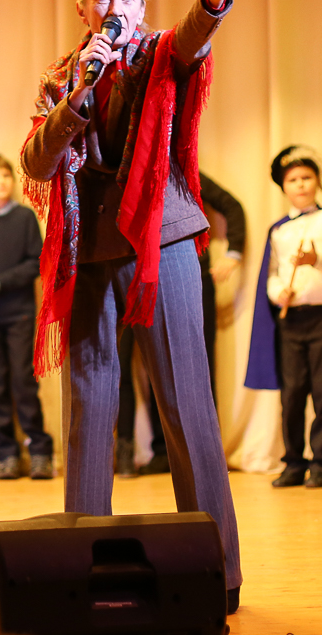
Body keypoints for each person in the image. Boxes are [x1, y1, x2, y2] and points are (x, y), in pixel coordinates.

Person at [19, 0, 247, 611]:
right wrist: (77, 96)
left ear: (142, 8)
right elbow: (36, 163)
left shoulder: (157, 56)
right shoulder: (63, 78)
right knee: (89, 405)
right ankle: (84, 563)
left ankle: (218, 572)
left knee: (184, 401)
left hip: (161, 241)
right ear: (83, 10)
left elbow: (191, 40)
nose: (114, 7)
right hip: (90, 253)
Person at [117, 172, 246, 477]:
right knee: (144, 364)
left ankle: (203, 453)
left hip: (190, 272)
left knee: (196, 365)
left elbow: (232, 206)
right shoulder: (123, 172)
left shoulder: (182, 169)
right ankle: (160, 451)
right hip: (138, 274)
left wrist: (233, 253)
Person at [259, 147, 322, 490]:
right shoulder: (279, 231)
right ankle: (293, 463)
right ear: (283, 187)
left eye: (306, 177)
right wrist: (277, 293)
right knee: (292, 394)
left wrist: (318, 261)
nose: (300, 184)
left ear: (317, 181)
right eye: (293, 180)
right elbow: (272, 275)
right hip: (291, 320)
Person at [0, 154, 52, 480]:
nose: (1, 182)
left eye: (6, 175)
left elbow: (36, 262)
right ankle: (7, 454)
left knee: (22, 382)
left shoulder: (24, 217)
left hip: (18, 314)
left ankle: (40, 451)